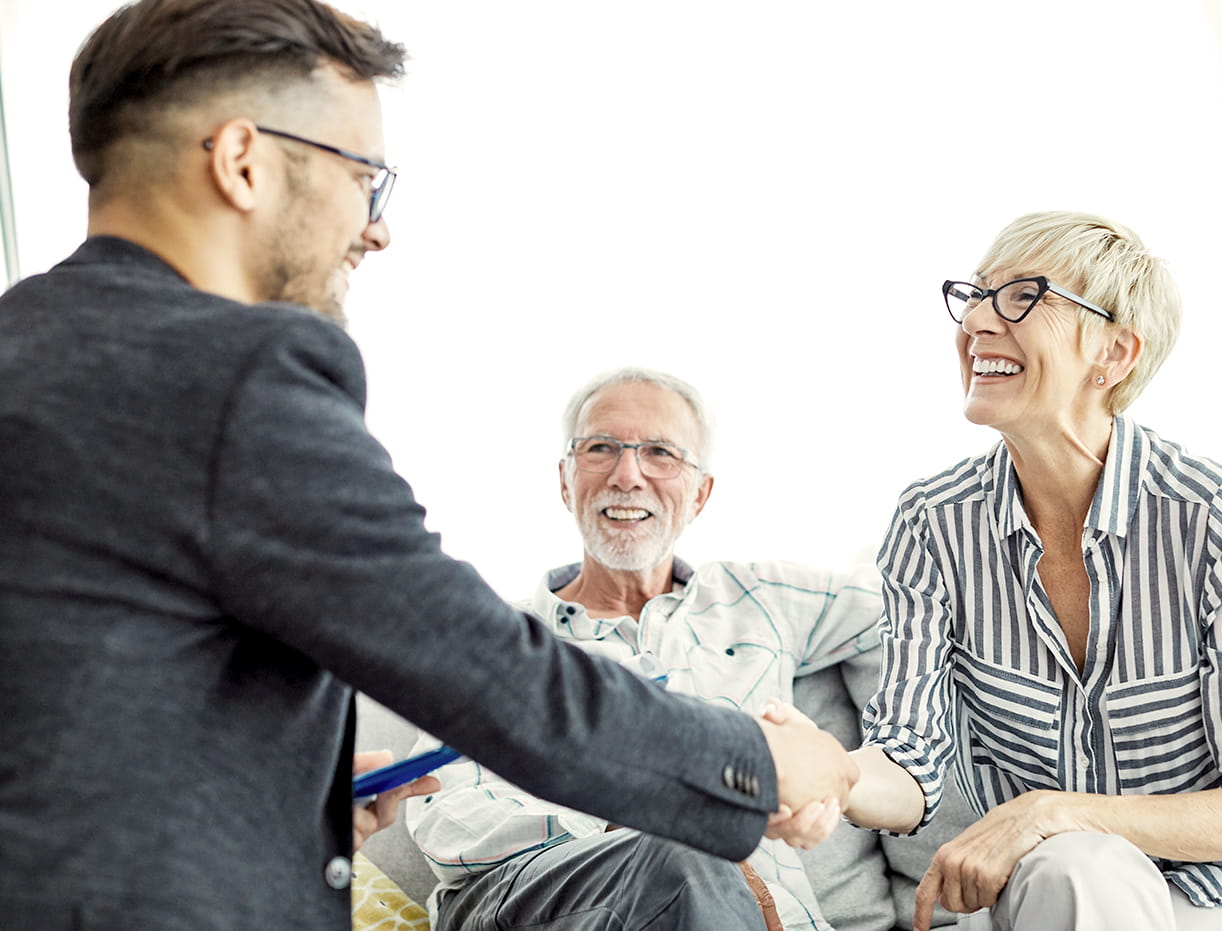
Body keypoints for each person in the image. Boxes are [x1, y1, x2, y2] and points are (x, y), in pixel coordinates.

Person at [0, 2, 856, 927]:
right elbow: (490, 675)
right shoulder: (237, 371)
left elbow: (79, 703)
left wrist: (298, 796)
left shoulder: (26, 350)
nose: (377, 228)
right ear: (242, 161)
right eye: (364, 176)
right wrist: (757, 764)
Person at [773, 212, 1222, 930]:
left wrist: (1046, 811)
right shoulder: (932, 522)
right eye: (977, 295)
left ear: (1114, 352)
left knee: (1072, 853)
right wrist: (835, 770)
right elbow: (910, 758)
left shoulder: (1216, 514)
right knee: (1078, 865)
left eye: (1023, 296)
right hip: (1065, 889)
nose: (980, 321)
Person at [402, 367, 884, 931]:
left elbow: (914, 607)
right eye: (601, 448)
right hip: (537, 896)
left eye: (660, 452)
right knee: (684, 852)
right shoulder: (494, 636)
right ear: (565, 479)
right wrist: (637, 822)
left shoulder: (760, 598)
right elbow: (444, 810)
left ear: (700, 493)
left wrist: (853, 766)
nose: (628, 475)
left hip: (759, 915)